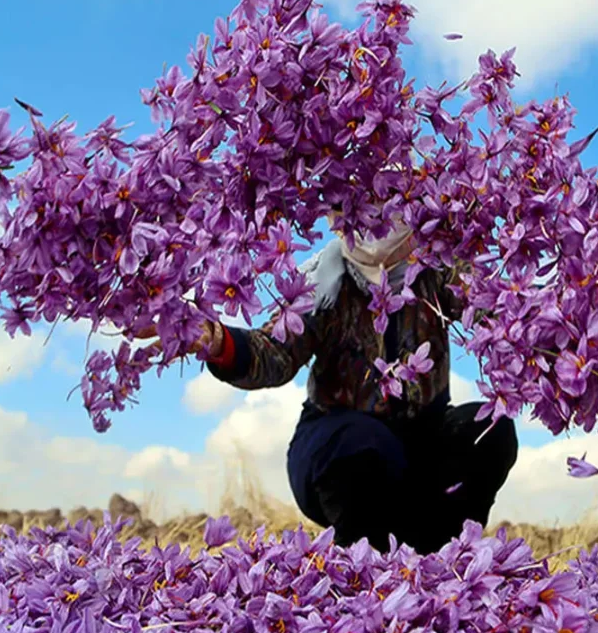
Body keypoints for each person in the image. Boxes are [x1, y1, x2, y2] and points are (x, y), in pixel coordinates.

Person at [194, 212, 518, 554]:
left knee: (489, 428)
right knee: (366, 444)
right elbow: (274, 353)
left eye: (386, 199)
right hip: (336, 449)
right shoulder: (322, 282)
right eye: (357, 205)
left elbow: (495, 309)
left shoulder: (436, 271)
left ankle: (445, 551)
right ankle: (365, 567)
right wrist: (220, 344)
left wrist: (553, 327)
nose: (373, 217)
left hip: (422, 445)